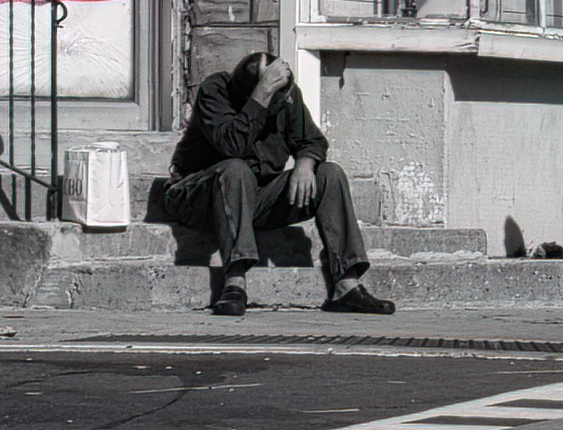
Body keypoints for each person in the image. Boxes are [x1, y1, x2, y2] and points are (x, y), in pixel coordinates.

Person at [161, 52, 396, 317]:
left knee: (329, 174)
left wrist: (305, 163)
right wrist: (260, 97)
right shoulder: (215, 91)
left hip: (255, 199)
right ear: (258, 92)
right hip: (197, 198)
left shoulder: (286, 95)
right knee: (236, 169)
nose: (289, 100)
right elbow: (232, 146)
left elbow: (312, 141)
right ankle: (235, 281)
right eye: (279, 96)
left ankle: (346, 285)